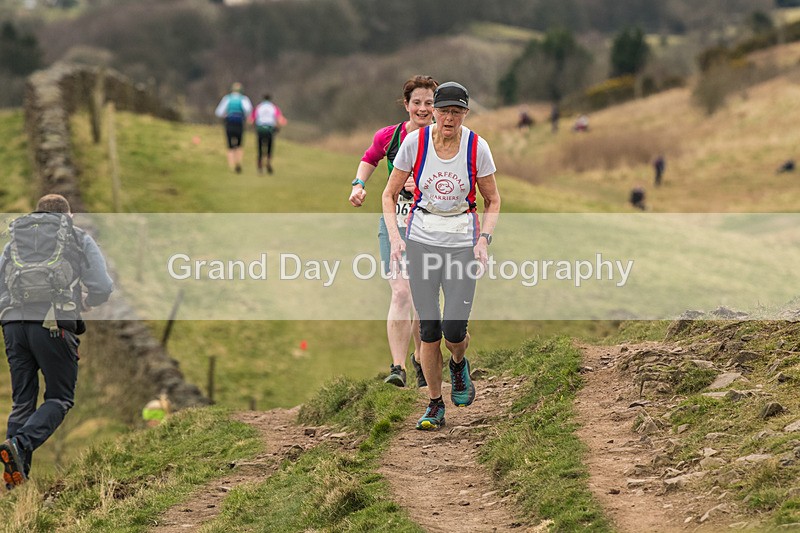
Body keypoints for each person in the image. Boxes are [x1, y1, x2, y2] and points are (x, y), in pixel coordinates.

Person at [381, 81, 501, 430]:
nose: (449, 118)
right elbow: (388, 194)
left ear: (465, 113)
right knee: (430, 329)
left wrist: (484, 240)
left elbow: (493, 199)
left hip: (462, 241)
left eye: (456, 112)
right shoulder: (414, 143)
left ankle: (459, 364)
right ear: (434, 111)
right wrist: (396, 238)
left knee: (453, 330)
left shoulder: (477, 147)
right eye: (444, 110)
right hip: (420, 240)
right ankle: (435, 403)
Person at [0, 194, 114, 487]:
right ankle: (21, 444)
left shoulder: (15, 242)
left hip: (13, 325)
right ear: (69, 215)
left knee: (23, 401)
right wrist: (87, 301)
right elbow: (102, 284)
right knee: (60, 398)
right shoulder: (75, 237)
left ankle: (15, 480)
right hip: (53, 325)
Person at [349, 75, 439, 388]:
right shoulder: (389, 137)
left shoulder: (443, 139)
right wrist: (359, 185)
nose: (424, 108)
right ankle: (397, 367)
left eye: (429, 103)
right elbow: (368, 159)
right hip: (394, 223)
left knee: (421, 296)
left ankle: (419, 358)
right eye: (417, 102)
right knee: (401, 291)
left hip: (429, 226)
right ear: (406, 104)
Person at [215, 82, 253, 174]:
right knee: (239, 145)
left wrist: (225, 115)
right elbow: (248, 110)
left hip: (229, 123)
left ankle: (231, 166)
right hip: (239, 123)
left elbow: (219, 112)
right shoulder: (244, 99)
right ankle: (238, 162)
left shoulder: (227, 98)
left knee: (230, 145)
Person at [250, 93, 287, 175]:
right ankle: (268, 162)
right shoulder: (274, 107)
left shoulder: (258, 107)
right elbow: (280, 119)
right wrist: (278, 127)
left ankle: (260, 165)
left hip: (260, 129)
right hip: (270, 129)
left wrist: (253, 126)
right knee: (269, 148)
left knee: (260, 148)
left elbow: (251, 119)